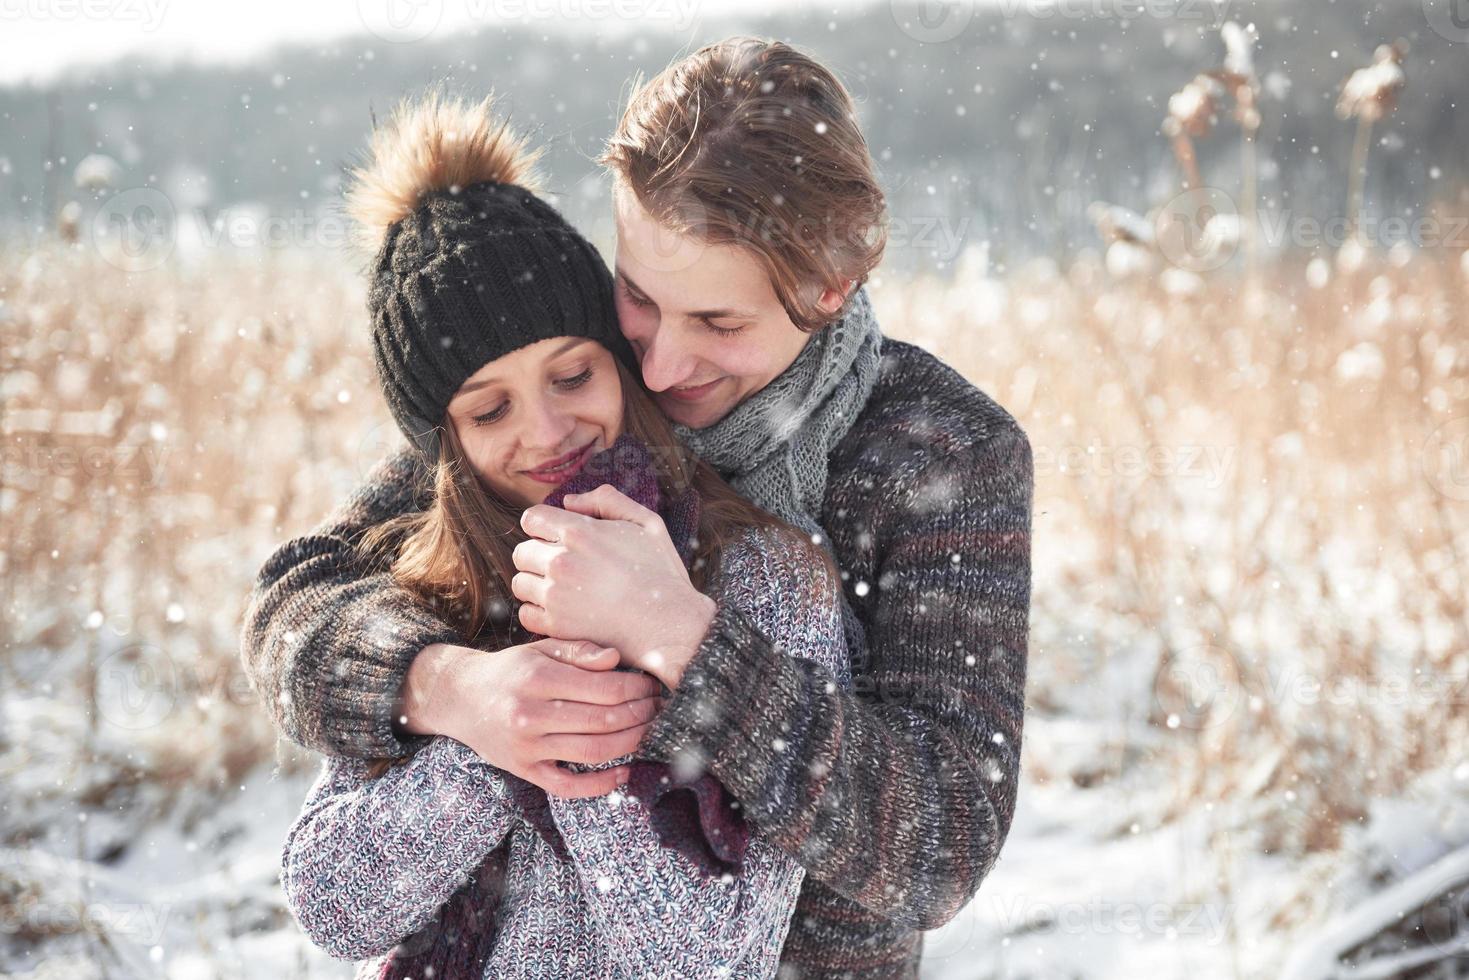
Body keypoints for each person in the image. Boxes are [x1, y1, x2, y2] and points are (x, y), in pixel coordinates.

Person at [243, 37, 1034, 978]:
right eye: (640, 297)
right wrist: (457, 690)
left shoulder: (940, 453)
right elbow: (296, 600)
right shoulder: (571, 396)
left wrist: (682, 641)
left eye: (719, 323)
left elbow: (938, 846)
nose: (659, 368)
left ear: (831, 287)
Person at [276, 90, 849, 979]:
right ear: (448, 446)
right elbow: (333, 907)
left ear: (620, 365)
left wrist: (598, 684)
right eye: (490, 408)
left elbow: (714, 958)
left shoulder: (760, 574)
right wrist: (485, 724)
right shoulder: (424, 592)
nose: (545, 431)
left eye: (573, 374)